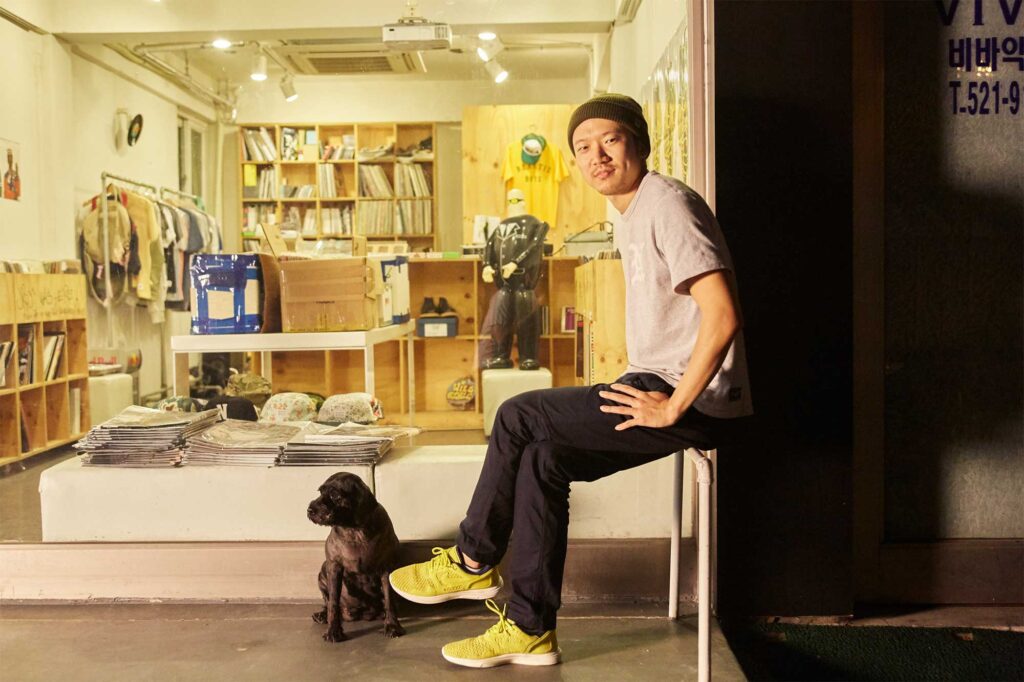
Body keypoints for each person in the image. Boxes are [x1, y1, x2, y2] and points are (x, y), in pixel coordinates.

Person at [389, 93, 753, 669]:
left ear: (638, 141)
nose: (596, 156)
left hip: (694, 398)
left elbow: (724, 314)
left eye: (609, 140)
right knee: (542, 458)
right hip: (661, 380)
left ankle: (472, 559)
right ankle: (530, 630)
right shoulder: (631, 211)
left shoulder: (668, 205)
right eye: (583, 147)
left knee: (516, 414)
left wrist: (674, 407)